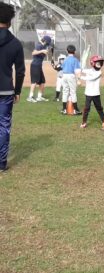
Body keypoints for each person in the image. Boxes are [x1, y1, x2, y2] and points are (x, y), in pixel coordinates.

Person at [0, 2, 25, 172]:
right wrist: (17, 91)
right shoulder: (16, 43)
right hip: (6, 91)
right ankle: (1, 163)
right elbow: (21, 71)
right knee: (3, 126)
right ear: (10, 22)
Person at [80, 55, 104, 128]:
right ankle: (84, 122)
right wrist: (82, 63)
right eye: (97, 63)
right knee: (86, 108)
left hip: (96, 93)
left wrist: (80, 77)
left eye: (100, 64)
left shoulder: (99, 72)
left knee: (99, 108)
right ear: (92, 64)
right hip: (88, 93)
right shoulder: (90, 70)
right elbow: (82, 69)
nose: (99, 65)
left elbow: (91, 78)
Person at [27, 35, 51, 103]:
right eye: (47, 43)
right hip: (35, 65)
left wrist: (46, 51)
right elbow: (33, 53)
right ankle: (30, 97)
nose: (47, 45)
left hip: (39, 66)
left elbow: (45, 51)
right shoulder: (39, 45)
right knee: (34, 82)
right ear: (45, 41)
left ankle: (39, 97)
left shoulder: (43, 46)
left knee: (42, 82)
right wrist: (42, 51)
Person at [60, 44, 82, 115]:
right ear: (74, 52)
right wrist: (78, 79)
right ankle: (76, 110)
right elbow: (77, 71)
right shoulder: (75, 60)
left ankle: (64, 109)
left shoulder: (65, 59)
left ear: (67, 51)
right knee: (73, 92)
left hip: (64, 76)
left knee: (65, 91)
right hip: (71, 76)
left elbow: (61, 68)